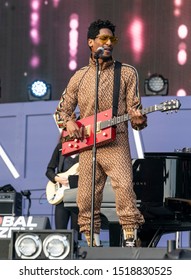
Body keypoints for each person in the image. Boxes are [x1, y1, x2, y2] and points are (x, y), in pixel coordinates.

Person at [54, 19, 147, 247]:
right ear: (90, 42)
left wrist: (139, 120)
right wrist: (69, 123)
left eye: (111, 39)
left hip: (117, 144)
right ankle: (92, 243)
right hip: (88, 147)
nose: (108, 43)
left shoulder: (126, 72)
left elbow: (136, 113)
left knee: (125, 189)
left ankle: (130, 239)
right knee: (85, 197)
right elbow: (61, 111)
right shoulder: (80, 76)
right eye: (103, 39)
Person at [45, 135, 81, 240]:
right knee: (60, 232)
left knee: (76, 234)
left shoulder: (85, 148)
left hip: (78, 197)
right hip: (62, 197)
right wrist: (57, 179)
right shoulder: (60, 148)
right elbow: (49, 170)